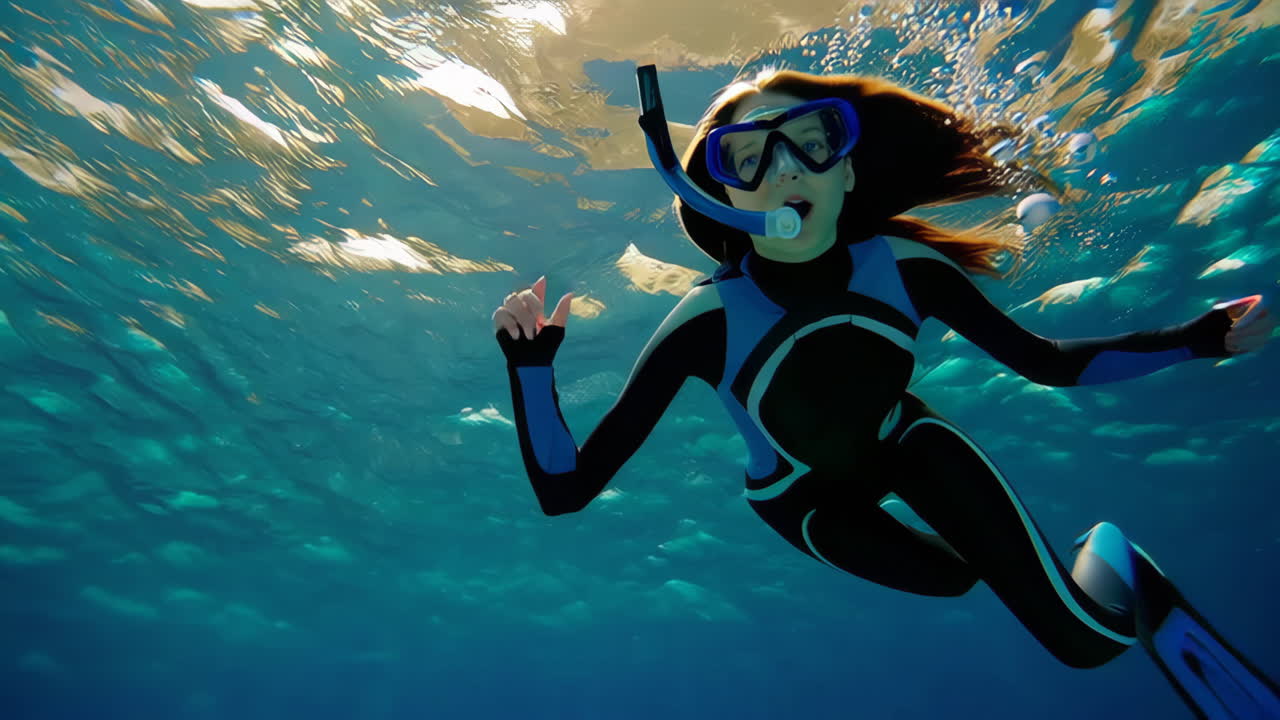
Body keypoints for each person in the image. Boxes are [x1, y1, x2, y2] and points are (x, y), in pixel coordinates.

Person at [491, 65, 1278, 719]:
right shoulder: (704, 322)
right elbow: (566, 490)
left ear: (849, 167)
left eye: (811, 142)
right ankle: (1010, 561)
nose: (788, 171)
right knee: (955, 573)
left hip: (908, 445)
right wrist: (529, 367)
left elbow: (1044, 361)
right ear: (721, 195)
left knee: (1084, 640)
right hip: (804, 501)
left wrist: (1192, 339)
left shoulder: (904, 267)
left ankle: (1112, 566)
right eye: (749, 158)